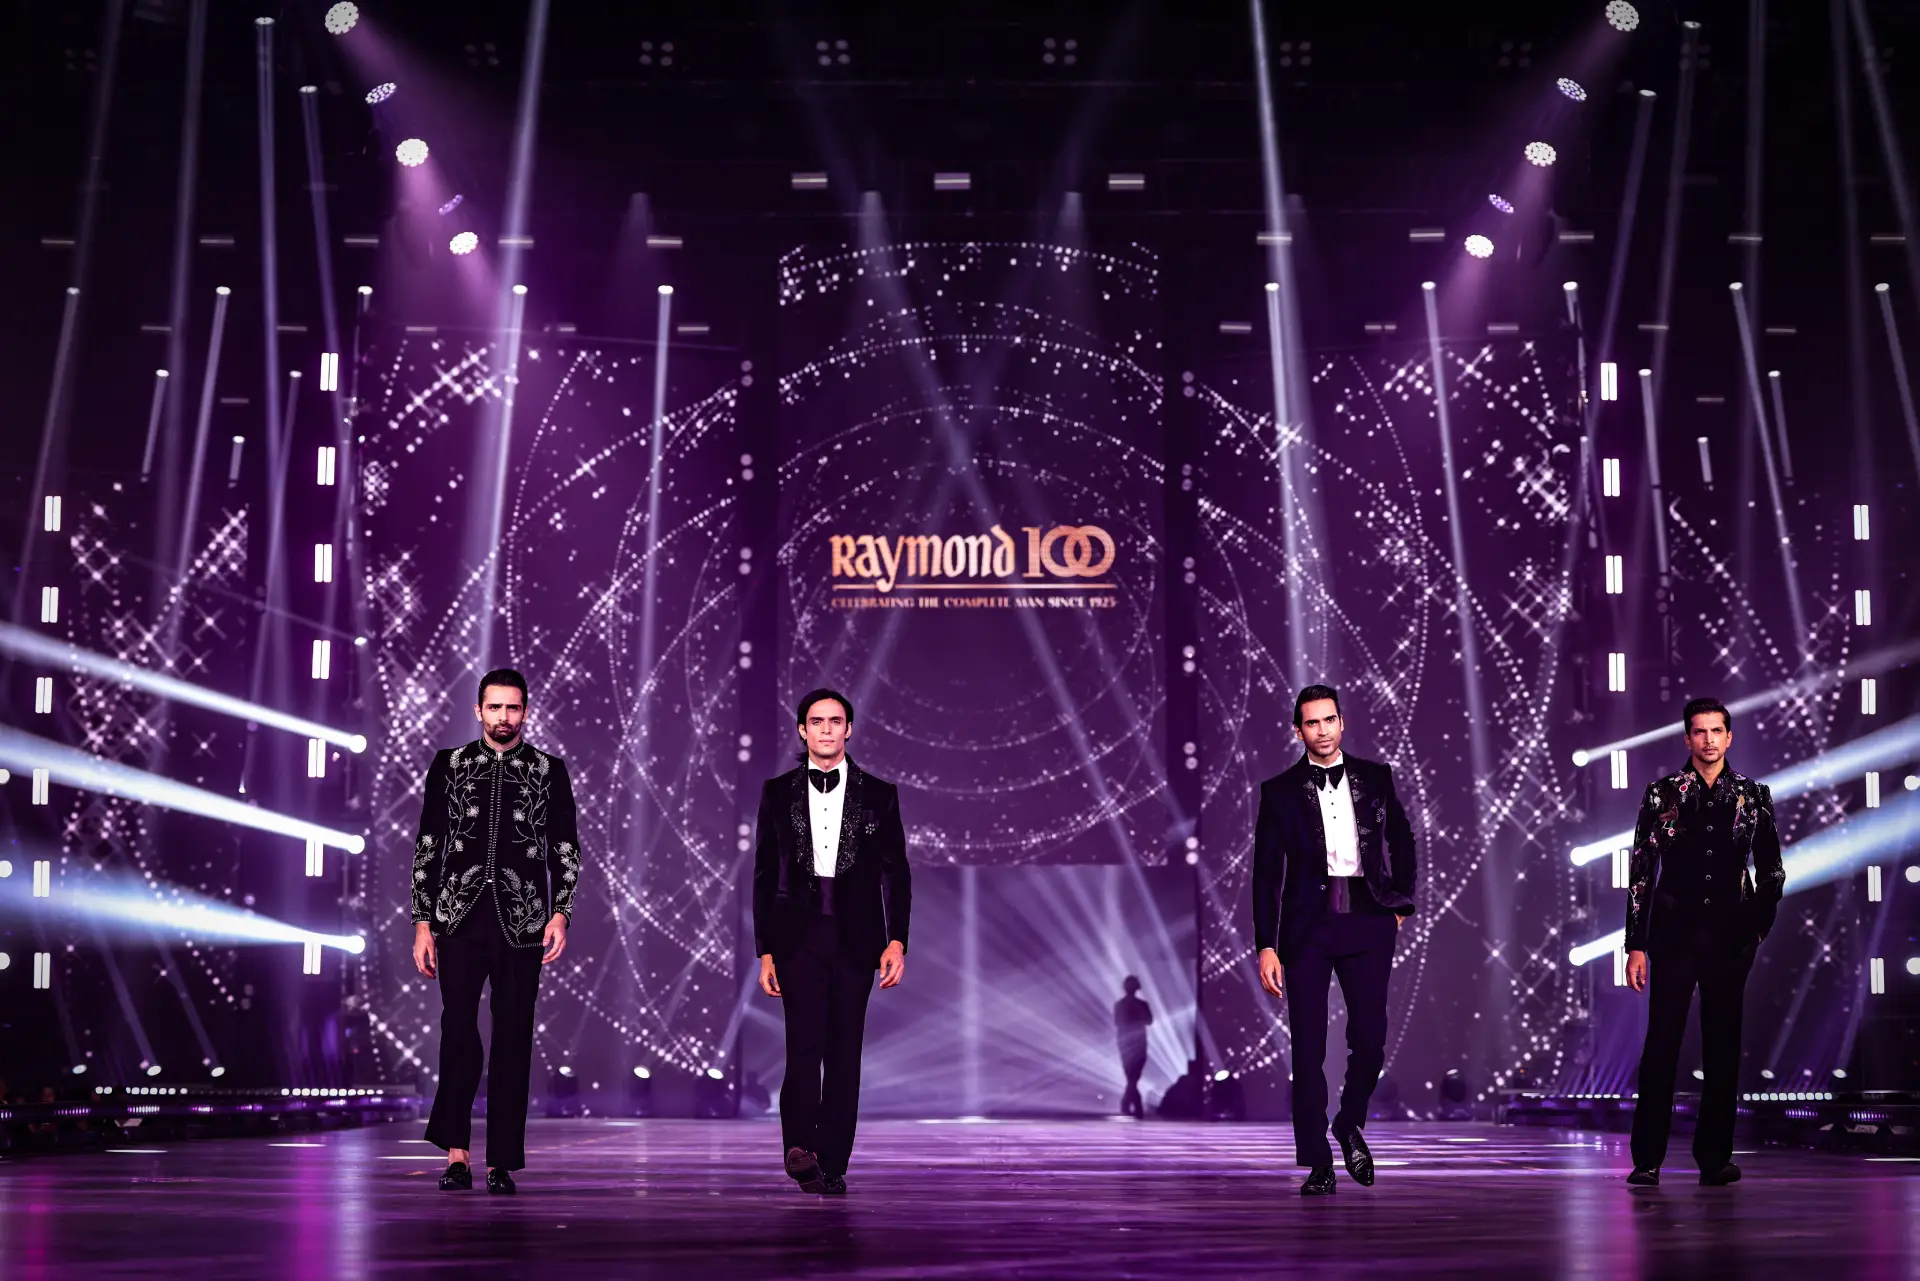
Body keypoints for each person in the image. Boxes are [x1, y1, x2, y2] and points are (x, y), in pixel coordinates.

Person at [410, 668, 582, 1195]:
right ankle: (457, 1153)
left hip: (523, 921)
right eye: (495, 707)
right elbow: (428, 844)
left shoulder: (548, 770)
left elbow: (565, 849)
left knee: (513, 1038)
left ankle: (501, 1160)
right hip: (457, 918)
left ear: (525, 711)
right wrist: (422, 922)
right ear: (478, 710)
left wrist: (561, 913)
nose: (504, 717)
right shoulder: (450, 764)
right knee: (458, 1033)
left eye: (513, 708)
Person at [1251, 684, 1416, 1196]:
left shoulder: (1376, 776)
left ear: (1342, 722)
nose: (1322, 731)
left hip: (1367, 920)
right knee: (1308, 1048)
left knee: (1369, 1039)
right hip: (1307, 927)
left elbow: (1402, 839)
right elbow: (1266, 875)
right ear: (1297, 730)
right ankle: (1318, 1161)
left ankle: (1347, 1123)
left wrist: (1399, 902)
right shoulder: (1279, 791)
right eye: (1311, 723)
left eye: (1329, 720)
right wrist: (1266, 944)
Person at [753, 688, 912, 1195]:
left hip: (856, 938)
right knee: (803, 1047)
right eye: (817, 721)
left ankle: (834, 1160)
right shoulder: (777, 792)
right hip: (797, 937)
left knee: (844, 1053)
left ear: (849, 729)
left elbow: (896, 874)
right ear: (803, 730)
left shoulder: (879, 794)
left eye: (835, 721)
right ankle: (800, 1149)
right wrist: (765, 949)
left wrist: (897, 941)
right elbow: (764, 874)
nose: (826, 729)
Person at [1623, 696, 1784, 1188]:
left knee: (1723, 1046)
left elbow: (1772, 870)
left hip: (1731, 938)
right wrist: (1635, 944)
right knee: (1661, 1044)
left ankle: (1714, 1159)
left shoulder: (1753, 795)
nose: (1709, 740)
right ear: (1687, 738)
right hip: (1674, 936)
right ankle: (1646, 1160)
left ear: (1729, 737)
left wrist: (1757, 926)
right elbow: (1641, 871)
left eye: (1717, 731)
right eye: (1700, 731)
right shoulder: (1662, 794)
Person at [1114, 976, 1153, 1119]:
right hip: (1136, 1043)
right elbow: (1149, 1021)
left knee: (1132, 1077)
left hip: (1127, 1043)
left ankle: (1129, 1105)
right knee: (1133, 1077)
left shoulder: (1120, 1004)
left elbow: (1118, 1022)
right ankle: (1134, 1106)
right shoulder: (1141, 1004)